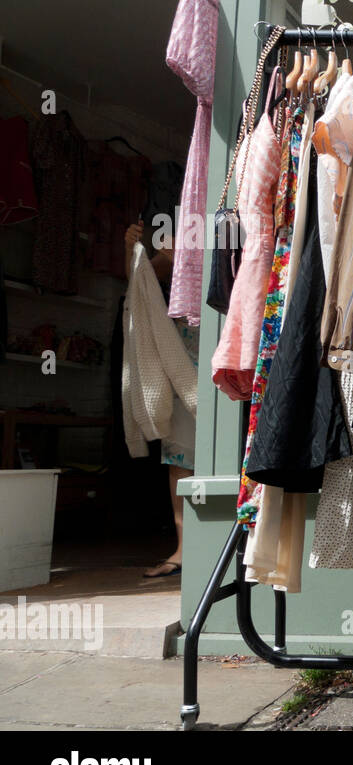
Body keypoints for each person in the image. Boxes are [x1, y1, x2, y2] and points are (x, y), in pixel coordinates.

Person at [125, 220, 198, 577]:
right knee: (181, 454)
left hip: (229, 341)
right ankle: (184, 548)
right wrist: (134, 250)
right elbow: (141, 287)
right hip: (184, 350)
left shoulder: (237, 224)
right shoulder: (183, 229)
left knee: (231, 449)